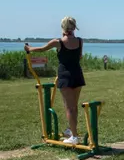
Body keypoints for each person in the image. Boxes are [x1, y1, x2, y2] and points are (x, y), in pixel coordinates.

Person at [24, 16, 85, 144]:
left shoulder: (58, 42)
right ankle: (70, 130)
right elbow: (79, 57)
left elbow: (41, 49)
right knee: (74, 105)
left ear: (63, 27)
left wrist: (29, 49)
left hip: (65, 76)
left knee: (69, 107)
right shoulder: (80, 41)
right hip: (77, 75)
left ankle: (74, 137)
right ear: (74, 27)